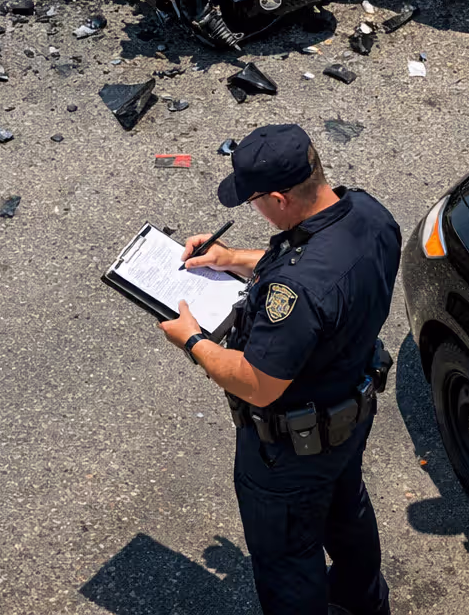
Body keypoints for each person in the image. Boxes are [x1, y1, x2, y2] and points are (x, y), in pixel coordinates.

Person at [159, 123, 399, 615]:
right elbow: (303, 257)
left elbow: (258, 384)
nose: (255, 210)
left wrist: (194, 340)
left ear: (279, 198)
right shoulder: (371, 214)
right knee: (345, 511)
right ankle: (364, 600)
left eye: (254, 201)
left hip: (291, 451)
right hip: (350, 412)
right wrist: (229, 259)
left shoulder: (297, 294)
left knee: (288, 560)